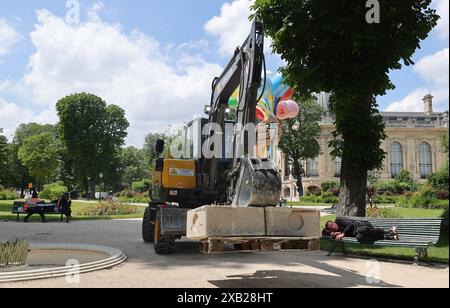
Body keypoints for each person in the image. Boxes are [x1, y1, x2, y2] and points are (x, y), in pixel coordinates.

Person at [323, 217, 399, 244]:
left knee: (361, 230)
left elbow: (350, 225)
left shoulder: (338, 220)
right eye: (331, 228)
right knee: (360, 238)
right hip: (357, 233)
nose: (333, 227)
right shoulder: (336, 233)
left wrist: (342, 234)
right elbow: (323, 233)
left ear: (333, 222)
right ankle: (388, 237)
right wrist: (332, 234)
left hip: (362, 226)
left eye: (332, 225)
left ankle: (389, 232)